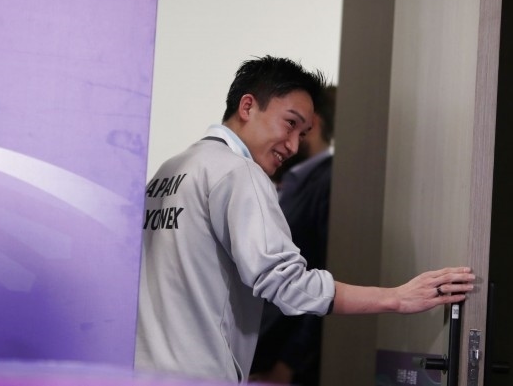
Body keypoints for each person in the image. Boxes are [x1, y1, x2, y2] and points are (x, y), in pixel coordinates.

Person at [134, 55, 475, 384]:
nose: (294, 146)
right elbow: (288, 284)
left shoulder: (169, 171)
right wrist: (397, 298)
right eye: (290, 123)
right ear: (247, 106)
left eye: (303, 132)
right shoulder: (239, 173)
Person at [249, 85, 336, 386]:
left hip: (286, 369)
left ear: (314, 125)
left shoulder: (329, 183)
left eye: (294, 127)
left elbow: (324, 276)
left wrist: (288, 365)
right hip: (260, 357)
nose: (289, 145)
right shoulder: (287, 184)